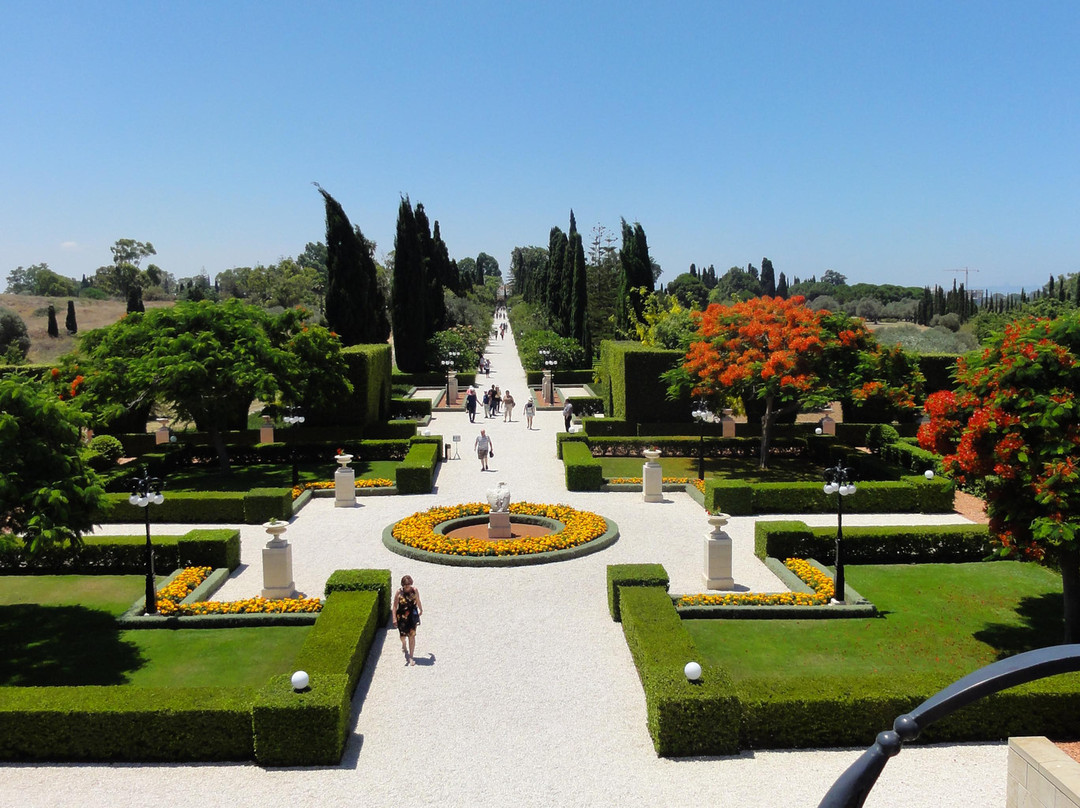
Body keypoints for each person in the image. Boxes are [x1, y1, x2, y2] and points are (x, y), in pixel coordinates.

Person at [392, 575, 423, 665]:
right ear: (403, 585)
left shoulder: (415, 590)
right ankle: (404, 644)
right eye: (405, 585)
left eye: (409, 584)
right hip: (402, 617)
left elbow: (418, 600)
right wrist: (394, 618)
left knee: (412, 636)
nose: (407, 586)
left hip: (412, 616)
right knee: (402, 636)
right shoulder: (399, 593)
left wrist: (421, 609)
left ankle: (411, 657)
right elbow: (394, 606)